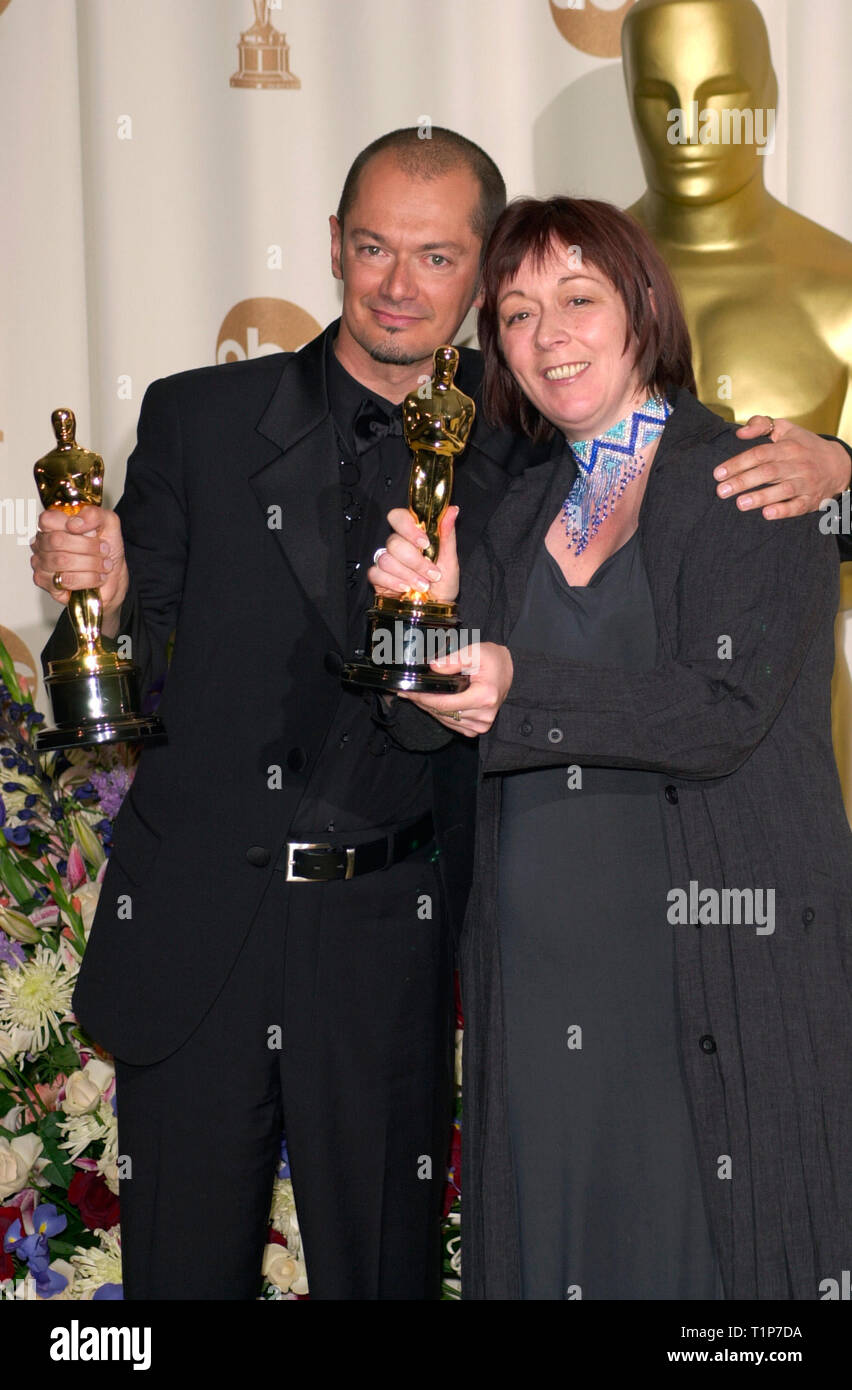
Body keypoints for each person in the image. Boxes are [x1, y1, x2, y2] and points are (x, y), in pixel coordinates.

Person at [30, 125, 850, 1300]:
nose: (398, 283)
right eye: (373, 248)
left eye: (437, 257)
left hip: (393, 939)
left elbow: (715, 533)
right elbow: (136, 639)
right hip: (205, 927)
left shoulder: (526, 442)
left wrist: (841, 466)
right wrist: (101, 582)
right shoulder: (199, 419)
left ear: (475, 276)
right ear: (332, 248)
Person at [370, 195, 852, 1300]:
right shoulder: (506, 504)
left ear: (643, 307)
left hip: (710, 956)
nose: (549, 338)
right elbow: (421, 721)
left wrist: (518, 681)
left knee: (714, 1250)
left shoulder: (752, 473)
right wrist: (424, 626)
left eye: (578, 300)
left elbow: (722, 712)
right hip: (539, 977)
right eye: (519, 312)